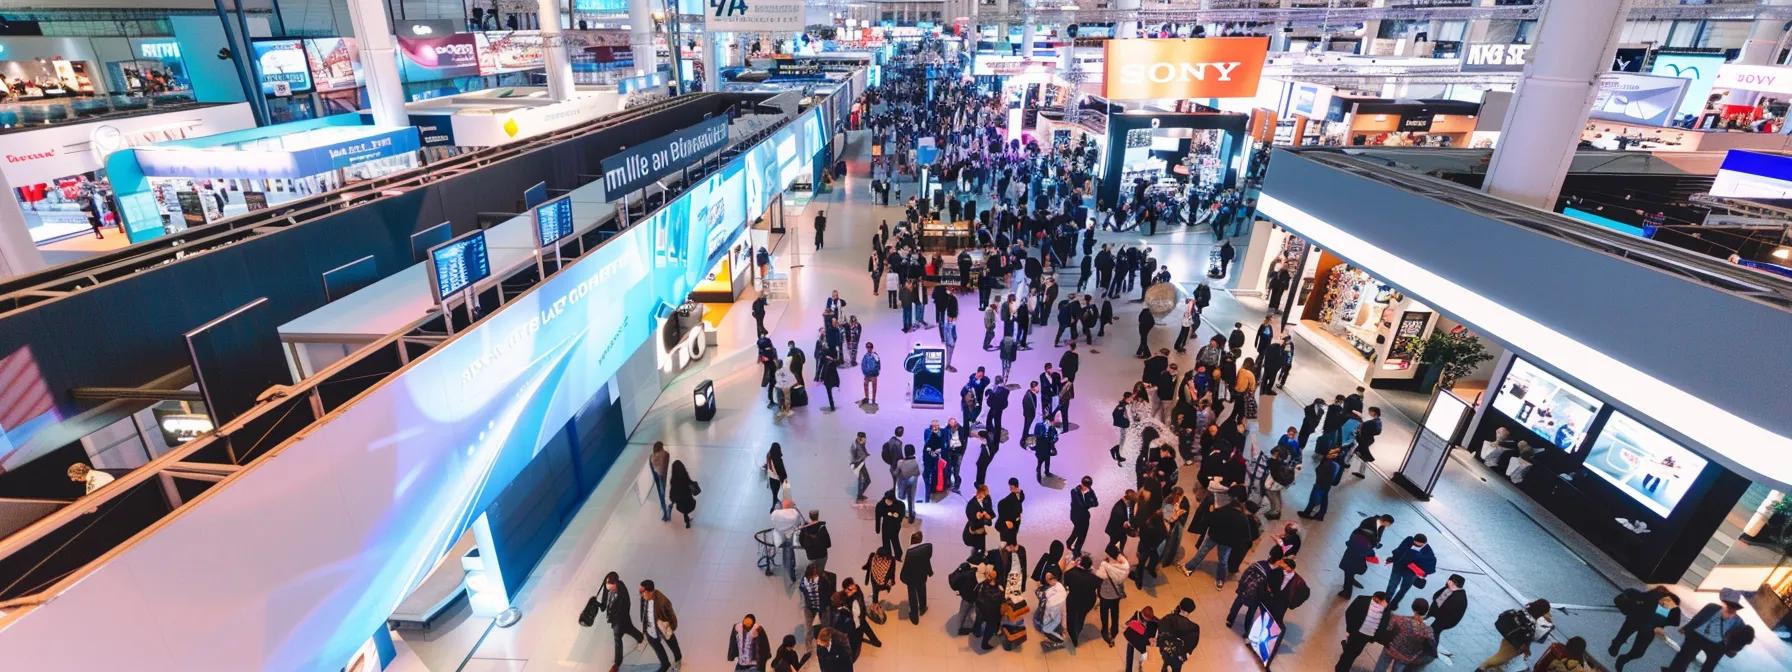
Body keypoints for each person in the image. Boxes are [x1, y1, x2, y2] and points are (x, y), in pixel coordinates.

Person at [1666, 591, 1754, 672]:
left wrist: (1733, 650)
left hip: (1717, 644)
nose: (1731, 608)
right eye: (1729, 605)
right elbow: (1698, 617)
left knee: (1708, 668)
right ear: (1725, 603)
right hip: (1698, 635)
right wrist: (1686, 628)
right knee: (1683, 658)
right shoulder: (1712, 607)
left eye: (1734, 607)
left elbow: (1740, 639)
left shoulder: (1739, 622)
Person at [1608, 586, 1680, 671]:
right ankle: (1617, 646)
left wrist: (1661, 625)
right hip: (1637, 621)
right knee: (1625, 640)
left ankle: (1621, 656)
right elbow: (1629, 594)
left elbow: (1675, 621)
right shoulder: (1650, 596)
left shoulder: (1672, 608)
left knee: (1637, 651)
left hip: (1647, 627)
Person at [1475, 599, 1552, 672]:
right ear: (1542, 612)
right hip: (1513, 645)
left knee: (1497, 660)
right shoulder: (1531, 624)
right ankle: (1480, 669)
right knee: (1493, 661)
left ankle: (1486, 669)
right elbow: (1527, 640)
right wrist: (1527, 651)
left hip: (1508, 638)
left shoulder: (1523, 611)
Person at [596, 572, 643, 672]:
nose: (610, 590)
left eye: (611, 588)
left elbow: (626, 606)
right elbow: (604, 604)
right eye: (608, 588)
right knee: (629, 629)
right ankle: (641, 638)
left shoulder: (623, 592)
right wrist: (598, 604)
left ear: (616, 583)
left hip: (620, 619)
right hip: (616, 619)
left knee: (617, 639)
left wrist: (616, 620)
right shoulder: (608, 585)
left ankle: (617, 664)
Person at [1374, 599, 1436, 672]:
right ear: (1425, 612)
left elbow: (1388, 631)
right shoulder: (1428, 631)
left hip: (1390, 649)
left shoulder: (1398, 619)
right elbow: (1429, 646)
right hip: (1406, 657)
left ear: (1413, 608)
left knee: (1381, 665)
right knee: (1397, 670)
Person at [1337, 592, 1391, 672]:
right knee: (1349, 653)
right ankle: (1340, 669)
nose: (1385, 604)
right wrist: (1350, 629)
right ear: (1376, 599)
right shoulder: (1362, 600)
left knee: (1355, 653)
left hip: (1366, 637)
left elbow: (1383, 624)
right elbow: (1349, 613)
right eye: (1383, 602)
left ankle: (1343, 667)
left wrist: (1374, 638)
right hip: (1355, 633)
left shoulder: (1386, 609)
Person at [638, 580, 683, 671]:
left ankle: (678, 659)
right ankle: (665, 664)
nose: (641, 595)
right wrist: (645, 629)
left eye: (643, 592)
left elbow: (672, 617)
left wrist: (670, 629)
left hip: (662, 628)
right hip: (650, 630)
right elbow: (644, 613)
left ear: (650, 592)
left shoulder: (663, 602)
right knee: (657, 648)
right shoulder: (644, 598)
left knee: (672, 643)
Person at [1384, 533, 1436, 609]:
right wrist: (1392, 559)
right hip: (1399, 566)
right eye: (1415, 544)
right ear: (1413, 540)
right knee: (1392, 585)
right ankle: (1386, 601)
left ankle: (1394, 603)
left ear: (1425, 543)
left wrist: (1423, 573)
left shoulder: (1428, 551)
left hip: (1411, 572)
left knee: (1404, 589)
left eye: (1419, 545)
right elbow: (1399, 550)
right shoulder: (1408, 540)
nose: (1416, 546)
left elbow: (1430, 564)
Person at [1096, 548, 1132, 646]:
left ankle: (1105, 632)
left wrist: (1104, 563)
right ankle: (1114, 630)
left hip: (1106, 595)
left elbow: (1099, 575)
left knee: (1104, 614)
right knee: (1115, 613)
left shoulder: (1106, 567)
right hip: (1116, 595)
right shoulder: (1124, 566)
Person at [1063, 554, 1100, 647]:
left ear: (1080, 563)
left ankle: (1073, 636)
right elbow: (1098, 587)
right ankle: (1077, 632)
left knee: (1071, 617)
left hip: (1073, 600)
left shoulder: (1071, 573)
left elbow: (1065, 582)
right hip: (1088, 601)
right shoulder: (1094, 578)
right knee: (1081, 616)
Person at [1157, 597, 1200, 672]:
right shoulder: (1194, 628)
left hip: (1164, 652)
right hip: (1178, 657)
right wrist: (1186, 655)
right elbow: (1191, 645)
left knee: (1163, 666)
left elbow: (1160, 632)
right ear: (1189, 612)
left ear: (1180, 607)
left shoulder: (1167, 618)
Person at [1429, 574, 1469, 652]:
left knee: (1434, 631)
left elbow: (1447, 613)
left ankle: (1431, 650)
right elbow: (1437, 598)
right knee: (1433, 631)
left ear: (1455, 583)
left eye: (1449, 580)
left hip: (1446, 620)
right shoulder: (1450, 589)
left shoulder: (1457, 599)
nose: (1447, 581)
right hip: (1442, 616)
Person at [900, 531, 933, 625]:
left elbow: (906, 568)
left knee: (912, 596)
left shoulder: (909, 553)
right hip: (922, 575)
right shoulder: (928, 547)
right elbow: (927, 560)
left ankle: (914, 617)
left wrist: (903, 578)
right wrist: (929, 572)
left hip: (911, 578)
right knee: (922, 590)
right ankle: (922, 608)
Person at [1121, 605, 1158, 672]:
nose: (1147, 620)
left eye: (1149, 619)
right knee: (1130, 655)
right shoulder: (1137, 614)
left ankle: (1142, 667)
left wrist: (1153, 639)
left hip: (1145, 642)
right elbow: (1128, 623)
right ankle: (1128, 669)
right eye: (1146, 618)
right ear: (1142, 613)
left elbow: (1156, 632)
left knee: (1144, 656)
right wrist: (1126, 625)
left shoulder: (1155, 621)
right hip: (1133, 638)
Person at [1068, 476, 1099, 555]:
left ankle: (1071, 544)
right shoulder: (1074, 491)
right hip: (1076, 516)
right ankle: (1076, 550)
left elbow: (1096, 503)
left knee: (1081, 532)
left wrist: (1089, 496)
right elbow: (1082, 505)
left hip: (1085, 516)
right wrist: (1089, 502)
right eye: (1087, 486)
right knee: (1080, 533)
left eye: (1089, 487)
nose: (1088, 488)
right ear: (1082, 484)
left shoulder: (1090, 491)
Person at [1352, 406, 1383, 478]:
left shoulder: (1373, 422)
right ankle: (1361, 472)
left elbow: (1364, 426)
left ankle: (1346, 464)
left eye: (1370, 411)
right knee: (1362, 455)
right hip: (1367, 439)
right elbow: (1377, 432)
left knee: (1358, 452)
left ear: (1374, 412)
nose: (1369, 412)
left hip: (1365, 440)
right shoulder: (1378, 421)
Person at [799, 510, 833, 576]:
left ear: (810, 517)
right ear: (818, 516)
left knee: (811, 574)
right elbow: (828, 544)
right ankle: (819, 582)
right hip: (822, 555)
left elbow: (801, 542)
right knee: (820, 573)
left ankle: (813, 584)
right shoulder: (822, 528)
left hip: (810, 555)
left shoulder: (805, 528)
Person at [874, 490, 906, 558]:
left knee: (894, 538)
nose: (889, 502)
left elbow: (902, 514)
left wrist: (898, 516)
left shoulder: (899, 505)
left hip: (895, 524)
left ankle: (898, 554)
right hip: (886, 524)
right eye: (888, 500)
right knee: (885, 539)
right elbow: (878, 517)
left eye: (890, 501)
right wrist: (877, 529)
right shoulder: (880, 505)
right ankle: (887, 554)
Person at [1106, 489, 1139, 554]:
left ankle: (1120, 553)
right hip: (1115, 529)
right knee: (1113, 544)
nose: (1134, 503)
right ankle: (1116, 556)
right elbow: (1122, 521)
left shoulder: (1130, 503)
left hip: (1121, 528)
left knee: (1123, 538)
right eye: (1133, 501)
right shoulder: (1118, 509)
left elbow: (1130, 515)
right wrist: (1129, 526)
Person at [669, 460, 700, 528]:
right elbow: (691, 485)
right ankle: (687, 521)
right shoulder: (686, 477)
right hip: (690, 503)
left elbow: (672, 494)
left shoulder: (673, 481)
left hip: (680, 506)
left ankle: (687, 522)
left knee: (684, 509)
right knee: (686, 505)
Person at [649, 442, 672, 521]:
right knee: (662, 492)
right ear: (661, 448)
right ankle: (665, 513)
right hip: (662, 476)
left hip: (657, 475)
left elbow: (652, 468)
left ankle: (664, 510)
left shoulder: (651, 457)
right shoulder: (665, 455)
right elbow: (665, 467)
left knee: (661, 493)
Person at [896, 445, 921, 521]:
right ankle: (911, 512)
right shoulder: (917, 462)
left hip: (903, 482)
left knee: (902, 497)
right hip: (913, 482)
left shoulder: (900, 462)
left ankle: (905, 511)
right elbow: (919, 472)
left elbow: (896, 472)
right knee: (911, 497)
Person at [765, 444, 789, 512]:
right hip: (777, 480)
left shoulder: (768, 455)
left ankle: (773, 507)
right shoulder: (778, 460)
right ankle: (780, 507)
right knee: (780, 494)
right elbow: (782, 472)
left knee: (774, 494)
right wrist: (785, 481)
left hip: (771, 479)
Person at [849, 432, 872, 502]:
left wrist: (865, 454)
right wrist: (862, 457)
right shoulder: (855, 446)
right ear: (861, 438)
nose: (866, 440)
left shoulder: (861, 443)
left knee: (868, 480)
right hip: (857, 465)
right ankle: (859, 497)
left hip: (861, 463)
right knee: (861, 481)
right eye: (865, 438)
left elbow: (862, 451)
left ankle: (860, 495)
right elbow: (852, 458)